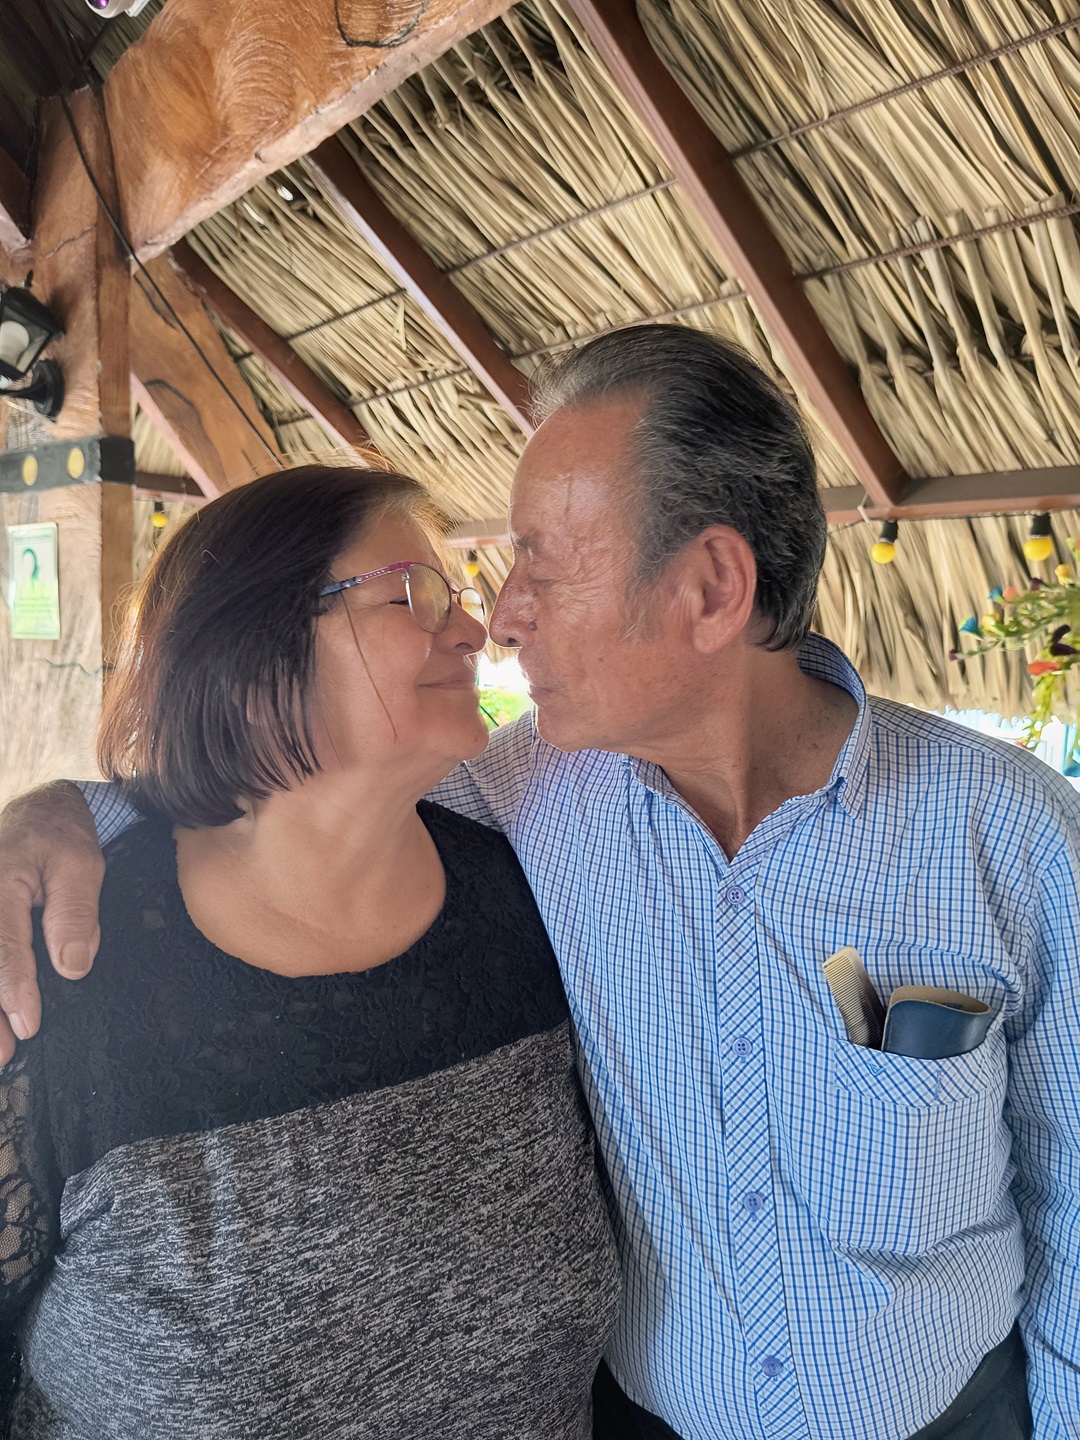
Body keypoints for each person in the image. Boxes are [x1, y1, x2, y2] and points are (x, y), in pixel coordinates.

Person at [0, 325, 1077, 1440]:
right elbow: (288, 795)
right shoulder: (524, 798)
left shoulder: (1009, 834)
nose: (500, 617)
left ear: (711, 589)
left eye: (543, 566)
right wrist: (57, 815)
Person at [0, 464, 619, 1437]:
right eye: (413, 593)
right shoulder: (65, 962)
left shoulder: (537, 896)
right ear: (253, 657)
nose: (475, 627)